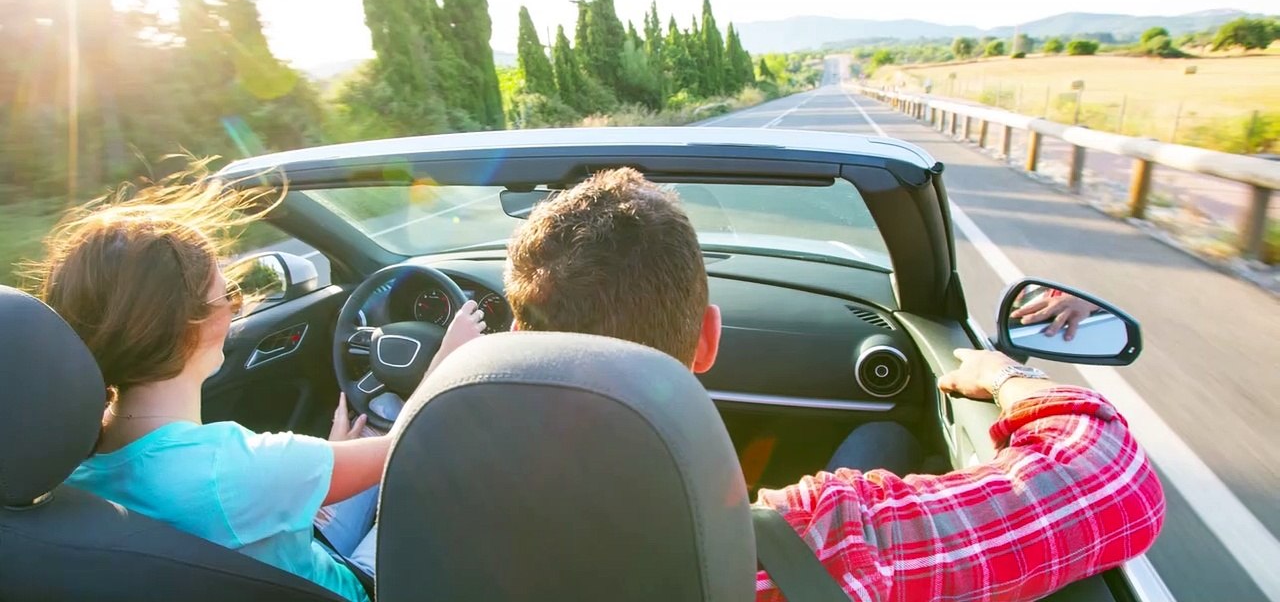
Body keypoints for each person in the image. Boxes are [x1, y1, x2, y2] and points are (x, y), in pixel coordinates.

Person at [503, 167, 1166, 601]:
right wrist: (1002, 371)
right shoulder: (832, 546)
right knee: (880, 436)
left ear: (514, 343)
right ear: (707, 340)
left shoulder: (422, 532)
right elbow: (1113, 480)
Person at [31, 179, 485, 602]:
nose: (236, 307)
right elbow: (402, 446)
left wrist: (321, 462)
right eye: (231, 296)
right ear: (193, 326)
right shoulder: (232, 468)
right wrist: (446, 361)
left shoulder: (66, 466)